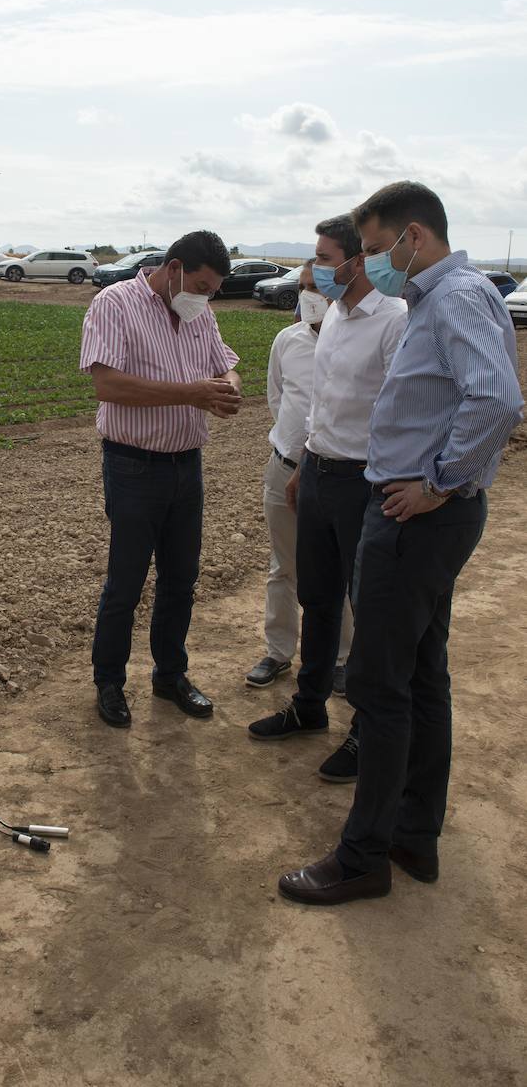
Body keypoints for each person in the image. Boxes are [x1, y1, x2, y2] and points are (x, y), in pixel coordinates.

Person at [279, 181, 523, 905]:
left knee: (380, 688)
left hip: (414, 516)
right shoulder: (442, 298)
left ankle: (362, 858)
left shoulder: (449, 297)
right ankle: (415, 834)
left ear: (414, 238)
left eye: (379, 249)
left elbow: (498, 399)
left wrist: (439, 483)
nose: (373, 263)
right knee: (420, 676)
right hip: (421, 512)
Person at [248, 215, 407, 784]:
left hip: (367, 481)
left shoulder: (393, 320)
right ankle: (309, 707)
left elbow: (399, 410)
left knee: (370, 610)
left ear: (357, 260)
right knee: (317, 598)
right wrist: (306, 463)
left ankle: (365, 731)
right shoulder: (335, 317)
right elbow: (323, 401)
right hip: (318, 472)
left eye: (324, 257)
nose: (314, 270)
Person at [79, 230, 242, 728]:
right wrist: (189, 394)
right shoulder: (115, 304)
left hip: (185, 466)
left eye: (213, 289)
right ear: (173, 269)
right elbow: (107, 384)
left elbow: (227, 365)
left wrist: (226, 389)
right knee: (126, 583)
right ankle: (109, 681)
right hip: (132, 465)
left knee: (180, 581)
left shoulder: (199, 313)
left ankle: (170, 675)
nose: (206, 296)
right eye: (201, 284)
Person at [245, 262, 354, 689]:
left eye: (316, 288)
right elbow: (277, 398)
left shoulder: (352, 340)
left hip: (333, 474)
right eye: (303, 287)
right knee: (282, 567)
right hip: (283, 468)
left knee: (338, 570)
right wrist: (292, 450)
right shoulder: (286, 341)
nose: (308, 295)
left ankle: (343, 659)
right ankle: (278, 652)